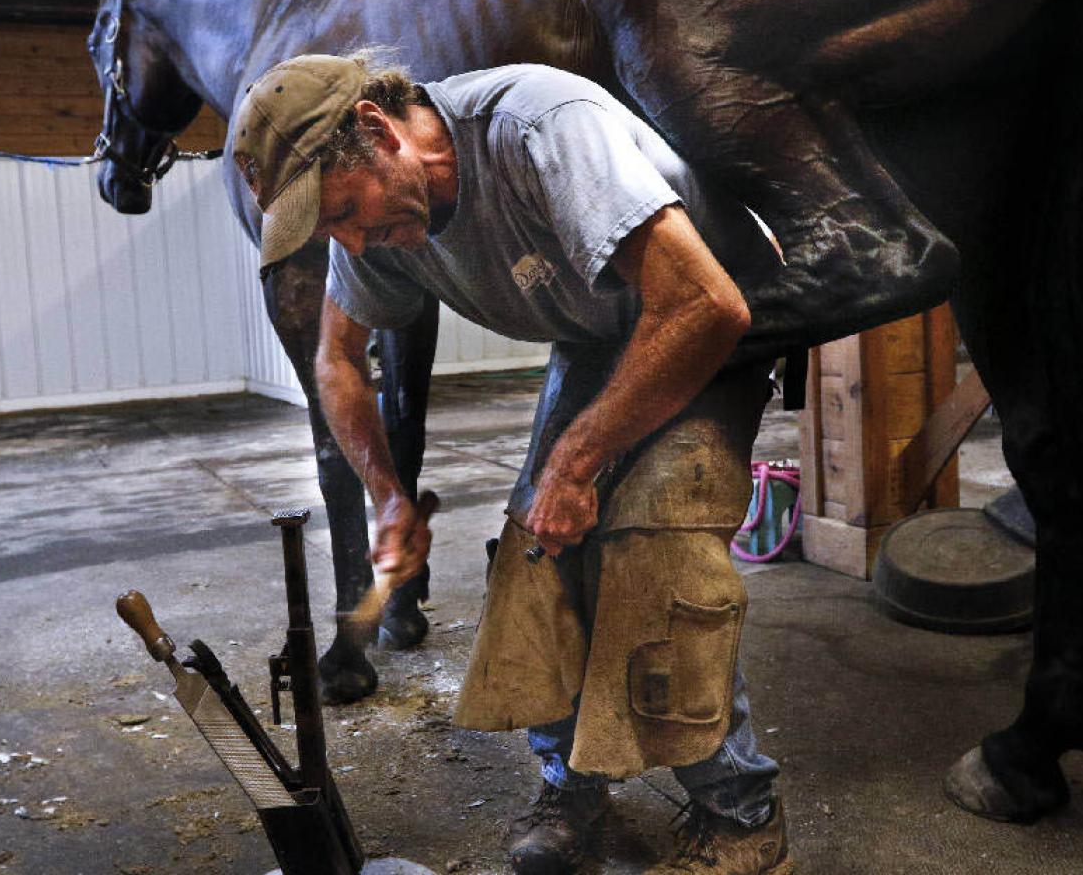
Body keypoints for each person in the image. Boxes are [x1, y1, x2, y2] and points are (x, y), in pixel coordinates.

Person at [230, 52, 792, 875]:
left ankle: (741, 814)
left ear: (377, 131)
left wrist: (574, 464)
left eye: (348, 210)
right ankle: (572, 784)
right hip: (600, 336)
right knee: (537, 555)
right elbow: (337, 361)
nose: (352, 241)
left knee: (653, 551)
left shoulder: (538, 128)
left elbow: (708, 304)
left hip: (709, 324)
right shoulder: (373, 221)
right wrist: (387, 496)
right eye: (330, 232)